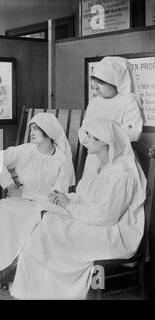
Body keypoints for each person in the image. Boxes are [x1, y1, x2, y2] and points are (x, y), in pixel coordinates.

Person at [9, 119, 146, 299]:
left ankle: (54, 292)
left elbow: (106, 217)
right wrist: (64, 199)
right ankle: (37, 291)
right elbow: (83, 196)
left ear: (105, 141)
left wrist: (69, 205)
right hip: (95, 219)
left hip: (114, 231)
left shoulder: (122, 173)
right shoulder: (97, 164)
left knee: (54, 229)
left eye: (91, 137)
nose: (85, 140)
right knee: (46, 221)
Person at [0, 113, 75, 284]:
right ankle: (1, 265)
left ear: (48, 133)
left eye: (36, 129)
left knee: (25, 214)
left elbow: (58, 196)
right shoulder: (25, 150)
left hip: (47, 203)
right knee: (4, 210)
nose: (31, 132)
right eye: (31, 129)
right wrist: (9, 185)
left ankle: (17, 268)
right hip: (22, 198)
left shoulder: (61, 160)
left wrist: (25, 194)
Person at [83, 56, 144, 175]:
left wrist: (106, 135)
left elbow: (134, 132)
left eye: (101, 82)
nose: (95, 86)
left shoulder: (128, 101)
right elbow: (84, 128)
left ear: (115, 81)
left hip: (119, 158)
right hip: (95, 157)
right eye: (95, 81)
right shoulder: (95, 102)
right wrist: (87, 139)